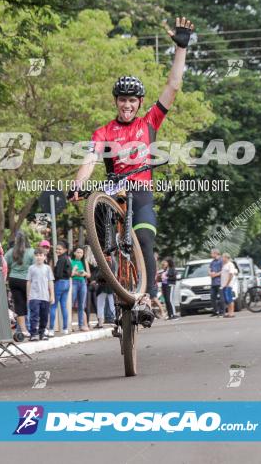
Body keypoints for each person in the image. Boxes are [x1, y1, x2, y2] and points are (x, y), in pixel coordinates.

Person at [70, 17, 195, 309]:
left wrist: (181, 49)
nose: (127, 105)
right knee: (97, 206)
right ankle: (106, 265)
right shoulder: (103, 131)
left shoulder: (149, 123)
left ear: (140, 103)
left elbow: (173, 87)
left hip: (140, 189)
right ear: (116, 101)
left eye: (132, 101)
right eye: (122, 100)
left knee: (145, 238)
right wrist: (78, 184)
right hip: (114, 188)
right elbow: (90, 157)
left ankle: (150, 294)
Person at [5, 231, 34, 339]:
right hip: (27, 281)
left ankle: (24, 330)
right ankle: (33, 328)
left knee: (19, 305)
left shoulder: (11, 251)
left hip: (13, 280)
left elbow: (2, 262)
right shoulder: (32, 252)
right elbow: (36, 267)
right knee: (31, 303)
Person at [26, 249, 55, 341]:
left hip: (45, 296)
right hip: (34, 296)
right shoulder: (31, 268)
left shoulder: (47, 268)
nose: (38, 257)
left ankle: (42, 333)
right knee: (34, 315)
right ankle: (33, 334)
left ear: (44, 257)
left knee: (44, 316)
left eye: (41, 255)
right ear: (34, 257)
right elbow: (29, 282)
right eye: (37, 255)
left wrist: (52, 295)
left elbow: (50, 282)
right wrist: (28, 295)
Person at [47, 242, 72, 337]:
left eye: (60, 249)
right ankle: (65, 329)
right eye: (56, 249)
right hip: (67, 283)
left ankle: (51, 330)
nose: (57, 250)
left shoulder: (61, 259)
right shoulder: (67, 259)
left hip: (60, 283)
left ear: (65, 250)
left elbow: (58, 274)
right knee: (63, 306)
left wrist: (53, 281)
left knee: (53, 306)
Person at [70, 246, 91, 331]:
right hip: (73, 283)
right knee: (70, 304)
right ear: (74, 253)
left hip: (83, 284)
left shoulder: (84, 262)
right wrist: (75, 272)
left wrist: (84, 273)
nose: (79, 254)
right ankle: (69, 325)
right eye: (78, 252)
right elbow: (69, 274)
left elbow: (89, 275)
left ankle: (81, 325)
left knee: (81, 305)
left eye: (81, 253)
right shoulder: (71, 261)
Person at [95, 252, 116, 328]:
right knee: (112, 304)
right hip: (111, 285)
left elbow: (100, 274)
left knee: (101, 304)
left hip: (103, 285)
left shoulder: (105, 262)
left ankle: (100, 322)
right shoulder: (113, 261)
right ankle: (116, 320)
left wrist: (96, 279)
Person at [220, 252, 238, 318]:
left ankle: (232, 313)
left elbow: (231, 274)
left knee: (229, 299)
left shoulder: (230, 264)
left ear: (226, 258)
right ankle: (229, 312)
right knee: (226, 300)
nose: (222, 258)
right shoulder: (224, 265)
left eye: (223, 257)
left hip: (228, 285)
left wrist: (227, 284)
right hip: (224, 285)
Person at [208, 248, 224, 317]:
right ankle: (215, 311)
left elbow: (223, 271)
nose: (211, 255)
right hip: (213, 283)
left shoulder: (221, 261)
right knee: (212, 296)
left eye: (211, 253)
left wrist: (216, 274)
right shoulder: (212, 262)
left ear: (215, 253)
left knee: (221, 298)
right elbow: (209, 269)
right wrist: (210, 273)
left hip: (220, 282)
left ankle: (222, 312)